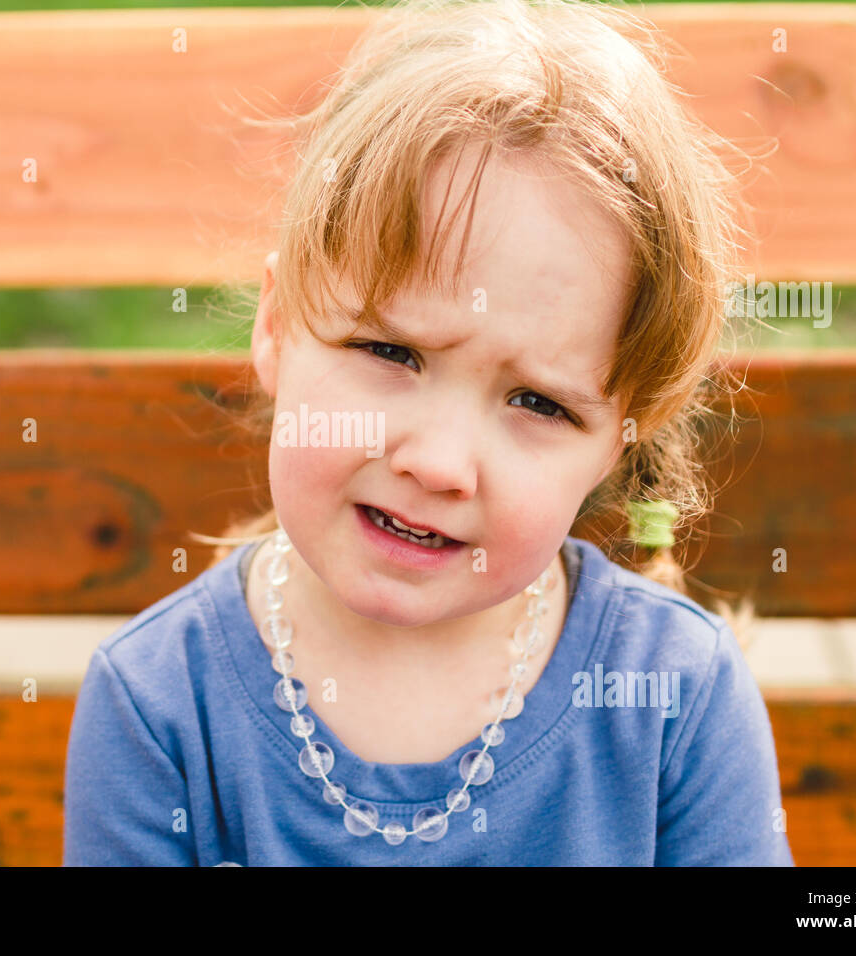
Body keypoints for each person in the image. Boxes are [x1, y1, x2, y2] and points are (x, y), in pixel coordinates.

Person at [64, 0, 792, 865]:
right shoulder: (157, 706)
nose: (441, 464)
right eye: (390, 351)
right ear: (279, 325)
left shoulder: (675, 698)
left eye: (538, 404)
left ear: (620, 442)